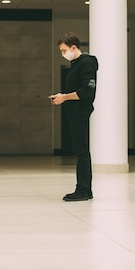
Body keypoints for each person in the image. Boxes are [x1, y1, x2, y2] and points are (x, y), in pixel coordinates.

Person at [49, 33, 98, 201]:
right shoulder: (76, 64)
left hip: (80, 112)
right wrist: (62, 97)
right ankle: (83, 188)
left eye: (64, 50)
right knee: (80, 150)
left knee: (82, 151)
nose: (63, 54)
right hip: (74, 112)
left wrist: (64, 97)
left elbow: (86, 91)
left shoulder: (86, 63)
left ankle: (84, 190)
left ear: (74, 47)